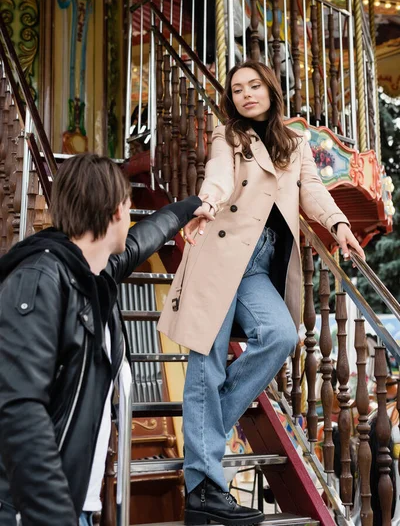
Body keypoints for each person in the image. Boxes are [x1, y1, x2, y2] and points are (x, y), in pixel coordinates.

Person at [157, 60, 365, 526]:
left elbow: (312, 190)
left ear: (270, 89)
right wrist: (205, 204)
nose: (246, 94)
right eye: (237, 89)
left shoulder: (294, 141)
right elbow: (217, 175)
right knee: (204, 367)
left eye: (254, 86)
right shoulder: (227, 136)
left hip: (258, 264)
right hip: (218, 253)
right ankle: (204, 492)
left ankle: (205, 435)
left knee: (280, 335)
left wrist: (339, 224)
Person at [0, 153, 213, 526]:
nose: (131, 218)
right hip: (32, 510)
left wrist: (194, 206)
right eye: (129, 207)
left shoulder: (94, 275)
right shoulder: (40, 280)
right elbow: (19, 408)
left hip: (75, 501)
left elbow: (142, 240)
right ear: (116, 212)